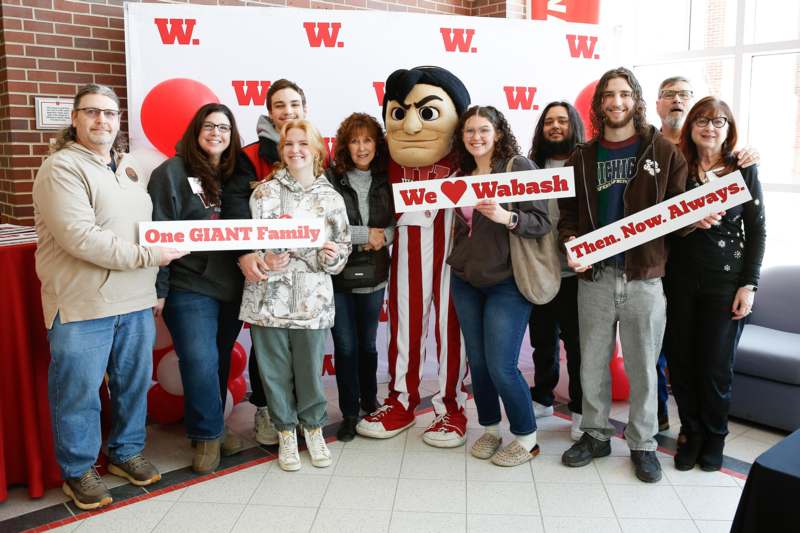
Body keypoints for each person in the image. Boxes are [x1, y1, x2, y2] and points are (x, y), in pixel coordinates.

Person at [32, 84, 186, 510]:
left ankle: (125, 452)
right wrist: (149, 256)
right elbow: (81, 237)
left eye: (110, 113)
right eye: (92, 112)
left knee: (132, 385)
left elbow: (145, 228)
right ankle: (79, 470)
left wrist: (153, 280)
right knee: (78, 391)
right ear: (76, 118)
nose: (102, 120)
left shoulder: (128, 167)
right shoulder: (61, 168)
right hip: (83, 304)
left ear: (119, 121)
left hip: (135, 299)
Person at [558, 67, 687, 483]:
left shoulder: (662, 151)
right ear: (599, 104)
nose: (616, 102)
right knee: (591, 363)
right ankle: (595, 435)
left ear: (636, 99)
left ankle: (643, 444)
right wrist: (573, 246)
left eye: (624, 94)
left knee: (644, 368)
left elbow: (679, 211)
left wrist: (699, 218)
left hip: (644, 277)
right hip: (594, 275)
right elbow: (569, 216)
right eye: (608, 95)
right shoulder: (583, 156)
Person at [356, 66, 471, 448]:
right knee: (405, 328)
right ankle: (401, 401)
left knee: (450, 331)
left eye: (426, 113)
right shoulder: (387, 162)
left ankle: (451, 407)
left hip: (456, 256)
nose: (412, 126)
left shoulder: (467, 155)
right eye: (401, 113)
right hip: (406, 251)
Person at [148, 103, 256, 473]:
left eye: (224, 128)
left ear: (232, 137)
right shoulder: (170, 173)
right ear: (196, 131)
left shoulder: (236, 174)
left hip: (233, 285)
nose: (216, 133)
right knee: (199, 359)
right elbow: (158, 231)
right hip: (189, 283)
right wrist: (159, 289)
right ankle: (209, 437)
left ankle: (210, 428)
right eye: (209, 126)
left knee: (219, 360)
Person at [240, 119, 351, 471]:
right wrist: (262, 257)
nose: (295, 150)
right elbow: (247, 247)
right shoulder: (263, 193)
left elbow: (343, 245)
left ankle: (313, 428)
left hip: (312, 301)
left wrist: (333, 257)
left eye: (304, 143)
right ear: (280, 149)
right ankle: (286, 432)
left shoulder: (330, 198)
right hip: (267, 300)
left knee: (308, 371)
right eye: (288, 143)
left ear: (317, 150)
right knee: (272, 372)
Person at [664, 97, 766, 472]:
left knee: (715, 366)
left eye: (718, 121)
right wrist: (690, 221)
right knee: (682, 363)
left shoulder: (743, 169)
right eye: (702, 120)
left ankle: (714, 436)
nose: (710, 127)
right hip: (678, 280)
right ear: (690, 126)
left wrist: (749, 285)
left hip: (725, 281)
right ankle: (689, 433)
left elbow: (757, 230)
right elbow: (657, 223)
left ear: (729, 128)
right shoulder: (677, 166)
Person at [448, 105, 551, 466]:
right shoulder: (461, 174)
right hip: (466, 280)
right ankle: (491, 430)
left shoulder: (518, 168)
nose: (476, 137)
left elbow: (543, 221)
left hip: (507, 282)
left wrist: (507, 217)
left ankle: (526, 438)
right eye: (469, 131)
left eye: (484, 130)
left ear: (498, 133)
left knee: (501, 365)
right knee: (477, 362)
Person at [239, 79, 309, 446]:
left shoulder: (319, 151)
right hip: (266, 266)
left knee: (301, 344)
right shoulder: (250, 155)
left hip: (306, 270)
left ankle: (297, 413)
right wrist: (249, 252)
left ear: (304, 109)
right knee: (266, 341)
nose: (287, 111)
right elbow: (237, 206)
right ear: (269, 112)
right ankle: (266, 410)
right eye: (280, 105)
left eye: (294, 104)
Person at [326, 113, 394, 441]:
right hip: (338, 274)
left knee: (367, 345)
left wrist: (387, 237)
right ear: (345, 146)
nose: (362, 147)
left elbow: (400, 219)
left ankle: (370, 401)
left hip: (375, 273)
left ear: (377, 144)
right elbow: (326, 226)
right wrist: (364, 234)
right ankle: (349, 414)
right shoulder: (330, 179)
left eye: (367, 140)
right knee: (345, 345)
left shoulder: (388, 178)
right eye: (355, 140)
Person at [527, 101, 586, 441]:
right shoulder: (530, 165)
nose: (555, 127)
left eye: (562, 121)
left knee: (577, 345)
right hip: (540, 270)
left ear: (573, 125)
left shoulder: (586, 163)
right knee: (542, 342)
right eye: (549, 121)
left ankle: (579, 409)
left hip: (577, 273)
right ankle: (543, 397)